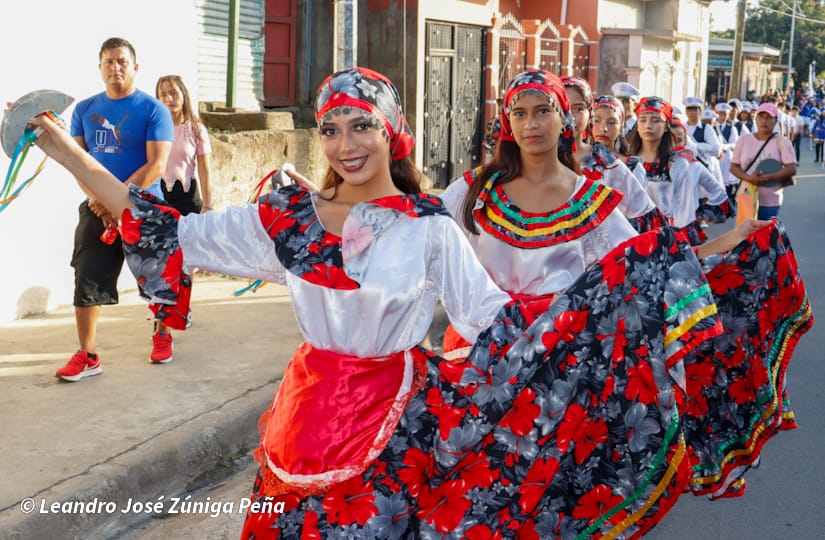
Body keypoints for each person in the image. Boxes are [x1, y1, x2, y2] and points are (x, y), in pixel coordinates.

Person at [438, 70, 812, 503]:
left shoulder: (590, 197)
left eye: (543, 111)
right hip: (479, 364)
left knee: (542, 494)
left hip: (559, 371)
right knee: (477, 491)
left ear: (566, 119)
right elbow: (426, 260)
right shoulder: (471, 192)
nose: (531, 124)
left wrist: (733, 238)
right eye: (519, 113)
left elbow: (650, 267)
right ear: (507, 122)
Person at [54, 37, 173, 381]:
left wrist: (116, 200)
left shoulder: (153, 110)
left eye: (122, 61)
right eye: (109, 61)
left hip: (143, 208)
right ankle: (87, 355)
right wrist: (100, 201)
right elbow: (78, 162)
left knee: (158, 278)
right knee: (86, 277)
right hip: (97, 210)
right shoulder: (85, 110)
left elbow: (157, 165)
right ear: (100, 67)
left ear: (136, 67)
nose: (115, 67)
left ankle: (163, 334)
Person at [152, 74, 214, 356]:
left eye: (173, 93)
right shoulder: (153, 128)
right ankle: (162, 328)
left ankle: (179, 309)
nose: (169, 98)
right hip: (161, 200)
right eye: (163, 94)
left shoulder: (195, 128)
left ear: (183, 95)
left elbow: (205, 169)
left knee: (185, 265)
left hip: (188, 200)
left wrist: (208, 205)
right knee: (163, 264)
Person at [561, 76, 664, 232]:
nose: (604, 129)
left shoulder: (620, 166)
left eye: (612, 122)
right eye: (598, 120)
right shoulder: (540, 160)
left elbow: (640, 214)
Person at [628, 96, 732, 245]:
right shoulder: (627, 161)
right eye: (643, 120)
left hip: (668, 236)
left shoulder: (678, 162)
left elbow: (683, 209)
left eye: (656, 120)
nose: (648, 125)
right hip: (632, 235)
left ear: (665, 127)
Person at [729, 102, 797, 221]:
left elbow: (791, 169)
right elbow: (734, 167)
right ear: (756, 119)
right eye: (761, 117)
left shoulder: (783, 142)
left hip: (770, 200)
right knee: (745, 236)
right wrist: (749, 178)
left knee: (764, 236)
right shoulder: (744, 140)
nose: (764, 121)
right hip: (746, 196)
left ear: (775, 121)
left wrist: (766, 177)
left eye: (768, 118)